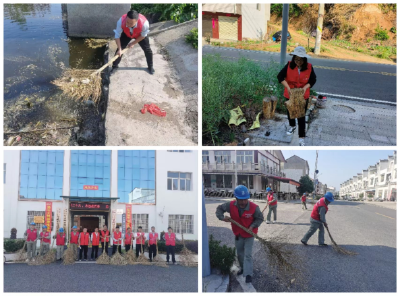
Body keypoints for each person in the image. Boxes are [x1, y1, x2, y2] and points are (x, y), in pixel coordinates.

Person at [216, 185, 264, 283]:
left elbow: (260, 218)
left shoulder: (254, 208)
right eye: (241, 200)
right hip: (238, 234)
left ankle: (248, 274)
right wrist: (221, 217)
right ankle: (243, 268)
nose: (243, 202)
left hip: (250, 234)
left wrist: (252, 226)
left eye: (245, 199)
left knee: (248, 255)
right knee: (240, 254)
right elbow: (219, 209)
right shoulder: (231, 205)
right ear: (236, 198)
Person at [277, 46, 317, 146]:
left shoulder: (309, 67)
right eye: (296, 59)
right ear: (293, 58)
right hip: (290, 93)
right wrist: (288, 87)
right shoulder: (289, 65)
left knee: (301, 116)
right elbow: (280, 77)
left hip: (302, 95)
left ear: (304, 59)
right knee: (290, 112)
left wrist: (305, 88)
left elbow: (313, 80)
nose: (298, 62)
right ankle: (292, 126)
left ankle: (301, 138)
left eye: (300, 60)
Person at [113, 10, 154, 74]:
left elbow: (143, 36)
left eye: (131, 23)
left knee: (147, 49)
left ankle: (150, 66)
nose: (128, 24)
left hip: (139, 34)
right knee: (119, 50)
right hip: (127, 33)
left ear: (137, 21)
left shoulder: (144, 23)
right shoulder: (121, 21)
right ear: (126, 18)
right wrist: (120, 48)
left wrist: (133, 43)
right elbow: (117, 35)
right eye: (127, 22)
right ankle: (114, 66)